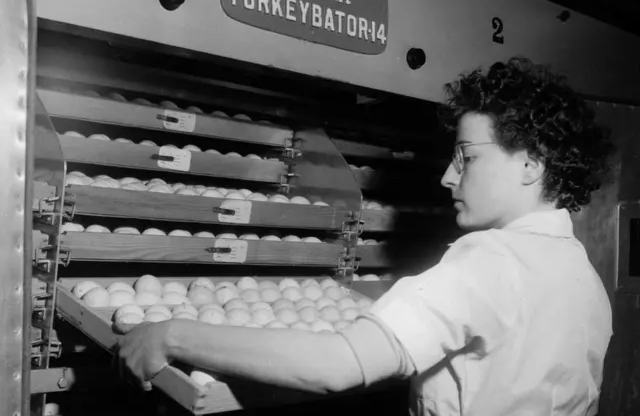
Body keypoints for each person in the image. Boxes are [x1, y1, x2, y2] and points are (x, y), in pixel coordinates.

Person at [116, 57, 615, 416]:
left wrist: (171, 334)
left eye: (467, 155)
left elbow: (339, 364)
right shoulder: (582, 275)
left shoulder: (490, 261)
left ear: (530, 164)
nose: (447, 175)